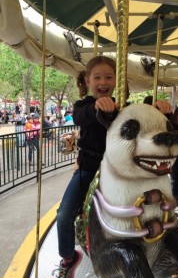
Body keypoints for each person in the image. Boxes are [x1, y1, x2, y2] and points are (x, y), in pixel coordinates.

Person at [53, 56, 117, 278]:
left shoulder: (121, 107)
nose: (103, 81)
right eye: (97, 77)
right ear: (88, 81)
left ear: (116, 80)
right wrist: (96, 107)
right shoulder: (83, 106)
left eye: (108, 77)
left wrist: (160, 110)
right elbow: (80, 117)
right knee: (63, 214)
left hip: (115, 172)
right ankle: (69, 255)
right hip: (88, 170)